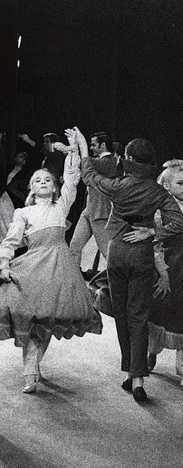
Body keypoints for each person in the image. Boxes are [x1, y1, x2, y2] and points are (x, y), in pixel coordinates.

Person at [0, 143, 102, 394]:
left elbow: (72, 181)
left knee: (50, 320)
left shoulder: (61, 207)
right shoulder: (24, 212)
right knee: (34, 320)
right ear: (31, 188)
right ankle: (30, 371)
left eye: (47, 180)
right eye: (37, 180)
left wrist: (73, 150)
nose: (42, 182)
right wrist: (5, 263)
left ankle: (35, 364)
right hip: (35, 267)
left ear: (54, 187)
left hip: (61, 269)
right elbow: (10, 240)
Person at [71, 127, 183, 402]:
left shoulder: (118, 185)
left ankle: (131, 375)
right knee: (139, 317)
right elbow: (178, 222)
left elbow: (89, 175)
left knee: (122, 316)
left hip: (118, 252)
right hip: (142, 255)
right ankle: (139, 378)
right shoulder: (158, 192)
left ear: (129, 157)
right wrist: (152, 232)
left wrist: (83, 147)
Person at [127, 162, 183, 383]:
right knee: (160, 312)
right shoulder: (160, 210)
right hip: (169, 267)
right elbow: (155, 243)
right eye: (181, 183)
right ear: (167, 186)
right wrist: (163, 272)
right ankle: (152, 351)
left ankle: (181, 368)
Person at [69, 131, 123, 271]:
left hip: (101, 213)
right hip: (89, 212)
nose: (92, 148)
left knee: (108, 254)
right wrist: (72, 147)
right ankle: (74, 286)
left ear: (103, 145)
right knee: (74, 248)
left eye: (94, 145)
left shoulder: (110, 162)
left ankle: (121, 287)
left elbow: (86, 165)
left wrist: (82, 146)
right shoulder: (99, 162)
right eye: (90, 145)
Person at [0, 133, 31, 247]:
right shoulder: (10, 168)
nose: (17, 158)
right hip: (4, 195)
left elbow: (23, 186)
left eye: (20, 157)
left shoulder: (25, 172)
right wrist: (0, 143)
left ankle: (15, 244)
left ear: (24, 160)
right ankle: (1, 243)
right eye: (17, 156)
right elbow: (1, 159)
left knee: (11, 219)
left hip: (15, 198)